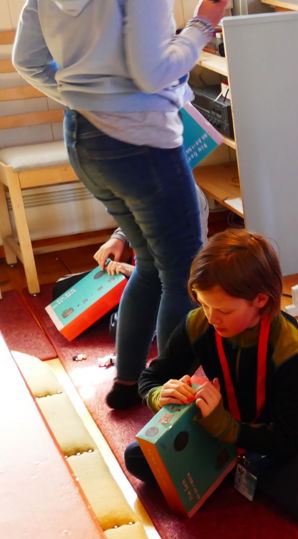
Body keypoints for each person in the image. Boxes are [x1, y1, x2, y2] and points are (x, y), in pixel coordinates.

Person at [12, 0, 228, 410]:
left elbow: (28, 62)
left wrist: (88, 100)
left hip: (83, 137)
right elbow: (152, 73)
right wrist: (203, 25)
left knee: (149, 264)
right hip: (140, 143)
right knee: (182, 274)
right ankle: (169, 402)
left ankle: (128, 383)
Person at [123, 229, 298, 524]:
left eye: (223, 310)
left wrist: (224, 428)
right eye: (203, 304)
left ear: (261, 300)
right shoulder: (199, 323)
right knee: (139, 459)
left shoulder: (286, 343)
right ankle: (247, 465)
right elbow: (150, 378)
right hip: (232, 417)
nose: (211, 317)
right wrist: (158, 394)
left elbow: (287, 439)